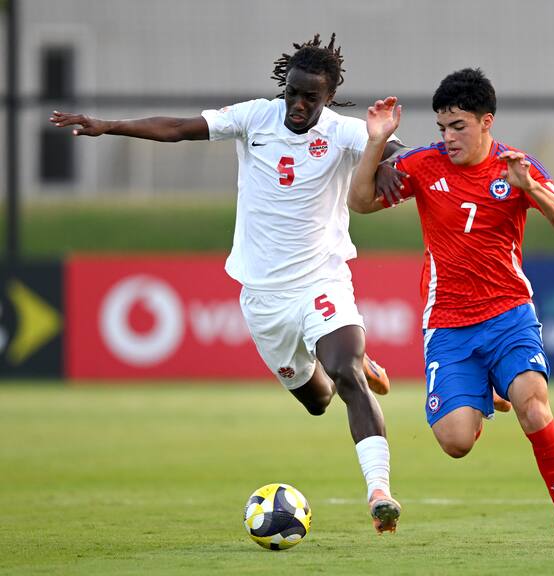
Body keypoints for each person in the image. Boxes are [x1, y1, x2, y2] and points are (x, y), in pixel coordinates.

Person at [50, 34, 403, 534]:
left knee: (346, 374)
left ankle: (379, 492)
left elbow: (392, 148)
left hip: (322, 280)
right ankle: (353, 362)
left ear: (328, 98)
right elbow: (177, 128)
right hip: (263, 298)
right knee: (319, 400)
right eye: (293, 93)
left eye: (311, 98)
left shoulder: (343, 132)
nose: (298, 106)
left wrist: (388, 161)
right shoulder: (254, 118)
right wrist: (108, 126)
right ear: (286, 86)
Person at [348, 68, 554, 548]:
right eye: (442, 127)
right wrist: (376, 143)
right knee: (456, 442)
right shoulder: (424, 165)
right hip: (449, 325)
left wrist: (531, 189)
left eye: (458, 126)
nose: (448, 137)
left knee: (534, 406)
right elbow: (359, 201)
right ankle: (487, 392)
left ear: (487, 121)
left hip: (509, 314)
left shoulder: (516, 167)